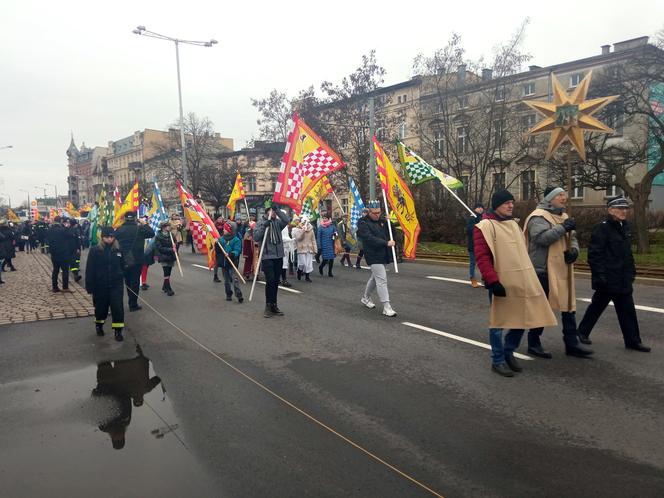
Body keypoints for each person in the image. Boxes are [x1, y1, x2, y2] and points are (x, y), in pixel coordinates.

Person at [474, 189, 558, 377]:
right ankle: (497, 360)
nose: (511, 205)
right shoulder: (484, 226)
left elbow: (522, 254)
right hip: (500, 283)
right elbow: (482, 257)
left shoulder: (513, 225)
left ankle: (508, 351)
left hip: (521, 280)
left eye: (512, 202)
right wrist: (493, 281)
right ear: (497, 205)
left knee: (522, 318)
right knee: (499, 322)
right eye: (506, 203)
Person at [523, 187, 593, 358]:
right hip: (543, 269)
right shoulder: (538, 216)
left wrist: (574, 252)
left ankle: (572, 343)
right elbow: (541, 239)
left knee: (568, 306)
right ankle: (533, 342)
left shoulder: (564, 216)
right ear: (550, 198)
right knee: (542, 308)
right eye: (560, 195)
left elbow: (572, 238)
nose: (564, 198)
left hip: (562, 267)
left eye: (564, 195)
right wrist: (563, 228)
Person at [577, 196, 651, 352]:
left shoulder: (625, 226)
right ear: (610, 210)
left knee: (628, 310)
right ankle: (582, 332)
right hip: (608, 277)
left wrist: (631, 272)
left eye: (625, 208)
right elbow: (595, 254)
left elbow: (627, 253)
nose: (624, 211)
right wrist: (600, 276)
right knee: (597, 306)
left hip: (623, 277)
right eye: (620, 209)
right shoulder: (602, 228)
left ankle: (633, 341)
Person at [357, 201, 397, 317]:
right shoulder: (363, 222)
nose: (377, 215)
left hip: (383, 253)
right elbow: (368, 238)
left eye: (379, 212)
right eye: (374, 213)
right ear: (369, 211)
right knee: (381, 280)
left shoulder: (382, 221)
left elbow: (392, 234)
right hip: (372, 254)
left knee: (375, 278)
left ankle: (365, 298)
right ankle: (386, 306)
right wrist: (386, 243)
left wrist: (390, 223)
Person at [85, 226, 126, 341]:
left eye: (112, 236)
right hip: (100, 285)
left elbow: (124, 265)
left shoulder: (118, 250)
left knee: (117, 308)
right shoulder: (95, 250)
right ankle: (99, 325)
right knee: (100, 308)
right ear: (102, 237)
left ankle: (118, 331)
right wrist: (90, 286)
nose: (110, 239)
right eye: (107, 237)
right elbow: (90, 269)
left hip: (116, 285)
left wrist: (122, 274)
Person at [253, 204, 290, 318]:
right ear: (267, 212)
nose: (273, 213)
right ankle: (268, 305)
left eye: (274, 212)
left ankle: (274, 304)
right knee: (270, 280)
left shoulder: (278, 223)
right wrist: (265, 225)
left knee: (275, 282)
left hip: (278, 256)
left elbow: (286, 220)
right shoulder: (260, 222)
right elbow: (256, 237)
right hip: (267, 256)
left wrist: (277, 209)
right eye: (272, 211)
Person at [115, 211, 155, 311]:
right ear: (134, 218)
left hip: (123, 259)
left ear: (124, 219)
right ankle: (133, 304)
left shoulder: (120, 229)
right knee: (135, 281)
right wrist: (144, 223)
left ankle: (128, 300)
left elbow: (114, 239)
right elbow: (152, 233)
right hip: (137, 259)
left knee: (127, 281)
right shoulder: (140, 228)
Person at [46, 216, 75, 292]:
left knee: (55, 270)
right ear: (61, 221)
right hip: (63, 253)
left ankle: (54, 287)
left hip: (54, 253)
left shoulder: (49, 230)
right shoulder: (62, 230)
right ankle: (65, 287)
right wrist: (67, 227)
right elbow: (71, 235)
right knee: (65, 270)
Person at [217, 222, 243, 302]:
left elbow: (238, 250)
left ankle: (238, 294)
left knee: (234, 278)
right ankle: (228, 293)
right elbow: (218, 251)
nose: (223, 230)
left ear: (229, 230)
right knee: (226, 280)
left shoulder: (236, 240)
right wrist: (216, 244)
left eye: (225, 229)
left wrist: (232, 254)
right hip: (224, 262)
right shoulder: (221, 239)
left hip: (232, 262)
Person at [154, 220, 176, 296]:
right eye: (168, 226)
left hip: (171, 256)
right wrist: (170, 249)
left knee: (169, 273)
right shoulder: (158, 236)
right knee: (166, 272)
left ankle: (164, 287)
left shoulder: (171, 235)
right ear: (163, 227)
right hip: (163, 256)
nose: (169, 227)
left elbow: (175, 243)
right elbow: (159, 248)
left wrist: (175, 246)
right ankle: (169, 289)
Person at [292, 215, 317, 282]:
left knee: (308, 264)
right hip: (301, 248)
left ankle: (307, 277)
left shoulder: (311, 229)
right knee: (302, 263)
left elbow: (313, 239)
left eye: (306, 222)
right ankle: (299, 271)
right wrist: (303, 231)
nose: (305, 223)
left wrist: (315, 249)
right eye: (303, 222)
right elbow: (299, 238)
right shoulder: (297, 229)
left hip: (309, 248)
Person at [466, 202, 484, 287]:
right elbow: (469, 231)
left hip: (482, 245)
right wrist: (477, 224)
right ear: (475, 209)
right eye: (478, 207)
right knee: (473, 263)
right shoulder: (472, 218)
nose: (480, 209)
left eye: (481, 207)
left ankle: (484, 279)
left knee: (483, 262)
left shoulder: (482, 217)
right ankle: (472, 278)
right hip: (473, 245)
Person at [66, 218, 83, 283]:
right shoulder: (76, 230)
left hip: (68, 249)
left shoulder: (67, 230)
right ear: (75, 224)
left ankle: (75, 275)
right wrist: (79, 248)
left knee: (71, 262)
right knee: (74, 262)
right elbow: (78, 240)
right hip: (74, 249)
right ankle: (76, 275)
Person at [281, 219, 295, 287]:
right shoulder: (278, 225)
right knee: (280, 263)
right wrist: (288, 240)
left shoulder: (285, 227)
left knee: (285, 263)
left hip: (286, 247)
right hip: (279, 248)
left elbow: (286, 236)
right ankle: (280, 279)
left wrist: (290, 240)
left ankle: (284, 279)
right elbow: (280, 237)